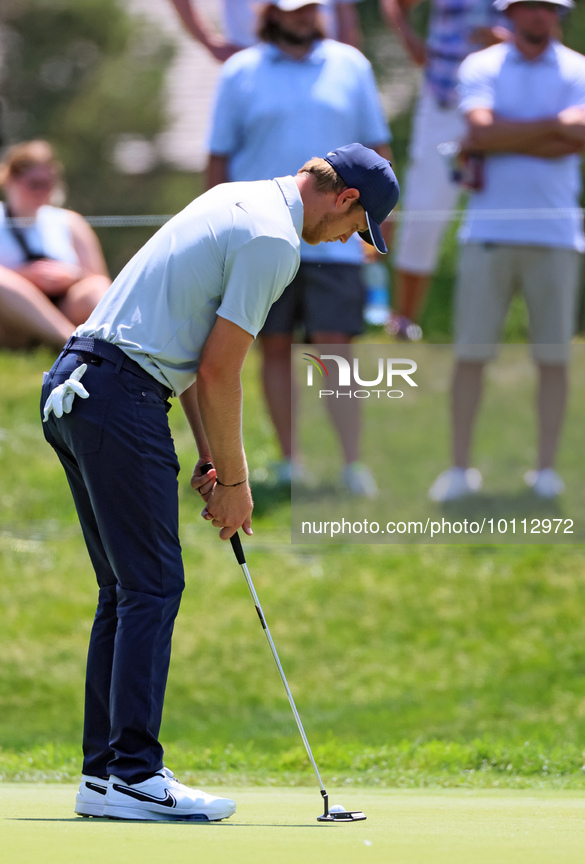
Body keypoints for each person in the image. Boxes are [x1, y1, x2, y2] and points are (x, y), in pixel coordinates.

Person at [40, 144, 399, 821]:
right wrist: (235, 482)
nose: (348, 241)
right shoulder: (274, 240)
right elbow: (220, 371)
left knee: (124, 590)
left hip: (76, 385)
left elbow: (202, 358)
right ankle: (136, 775)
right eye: (356, 228)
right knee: (152, 586)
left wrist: (210, 460)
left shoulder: (238, 197)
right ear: (345, 198)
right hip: (121, 394)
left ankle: (105, 774)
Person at [207, 0, 393, 495]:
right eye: (294, 9)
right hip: (261, 239)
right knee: (274, 346)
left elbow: (378, 149)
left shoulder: (351, 64)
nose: (304, 15)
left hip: (337, 242)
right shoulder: (240, 70)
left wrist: (380, 225)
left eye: (311, 7)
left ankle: (352, 464)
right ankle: (292, 462)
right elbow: (219, 157)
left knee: (337, 351)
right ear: (271, 14)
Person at [428, 0, 585, 503]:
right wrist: (551, 126)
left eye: (547, 8)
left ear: (557, 15)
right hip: (488, 233)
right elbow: (479, 131)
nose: (538, 15)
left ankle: (545, 471)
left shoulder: (581, 69)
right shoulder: (481, 66)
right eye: (528, 7)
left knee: (553, 360)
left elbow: (581, 138)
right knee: (471, 357)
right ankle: (460, 469)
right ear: (512, 12)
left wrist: (503, 134)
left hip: (558, 234)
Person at [381, 0, 510, 340]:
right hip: (444, 101)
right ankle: (404, 323)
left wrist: (505, 40)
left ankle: (494, 325)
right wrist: (412, 44)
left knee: (505, 215)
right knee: (425, 210)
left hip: (506, 108)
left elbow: (543, 32)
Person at [0, 141, 110, 349]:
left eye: (48, 184)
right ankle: (71, 343)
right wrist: (25, 276)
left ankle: (121, 347)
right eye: (34, 184)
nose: (43, 191)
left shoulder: (70, 222)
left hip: (65, 305)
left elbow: (99, 278)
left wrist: (73, 276)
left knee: (96, 288)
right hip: (9, 322)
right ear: (11, 180)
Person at [168, 0, 363, 61]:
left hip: (321, 59)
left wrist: (346, 57)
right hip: (251, 57)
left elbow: (344, 7)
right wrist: (208, 39)